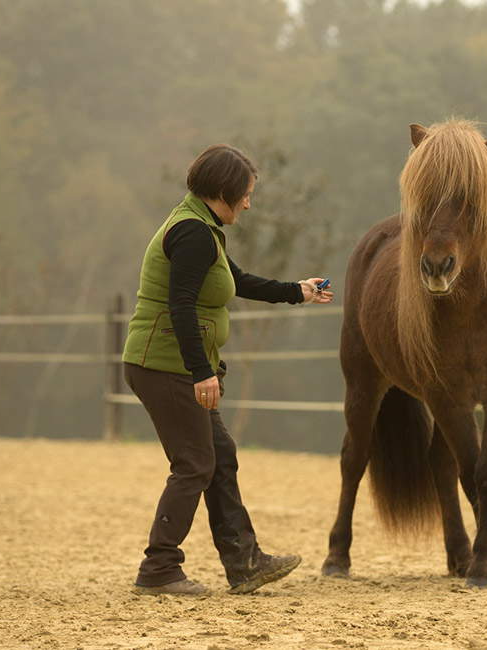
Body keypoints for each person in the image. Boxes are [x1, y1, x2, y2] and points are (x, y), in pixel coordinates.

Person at [121, 143, 334, 596]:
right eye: (247, 193)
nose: (249, 202)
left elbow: (236, 281)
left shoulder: (202, 228)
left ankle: (245, 563)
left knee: (219, 456)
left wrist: (297, 292)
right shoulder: (194, 233)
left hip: (174, 363)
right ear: (225, 190)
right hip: (165, 365)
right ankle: (158, 569)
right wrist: (203, 373)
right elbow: (179, 307)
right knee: (195, 463)